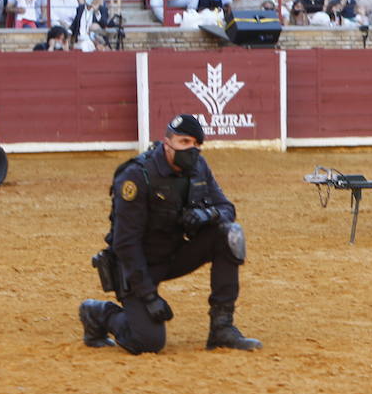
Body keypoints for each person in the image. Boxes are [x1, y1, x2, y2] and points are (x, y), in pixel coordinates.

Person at [79, 114, 260, 355]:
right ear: (167, 143)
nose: (191, 149)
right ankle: (99, 313)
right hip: (137, 266)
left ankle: (222, 329)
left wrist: (209, 215)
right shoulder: (136, 175)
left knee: (230, 234)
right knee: (148, 342)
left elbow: (228, 209)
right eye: (184, 142)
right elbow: (125, 244)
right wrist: (149, 295)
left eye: (196, 144)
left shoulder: (199, 166)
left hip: (173, 254)